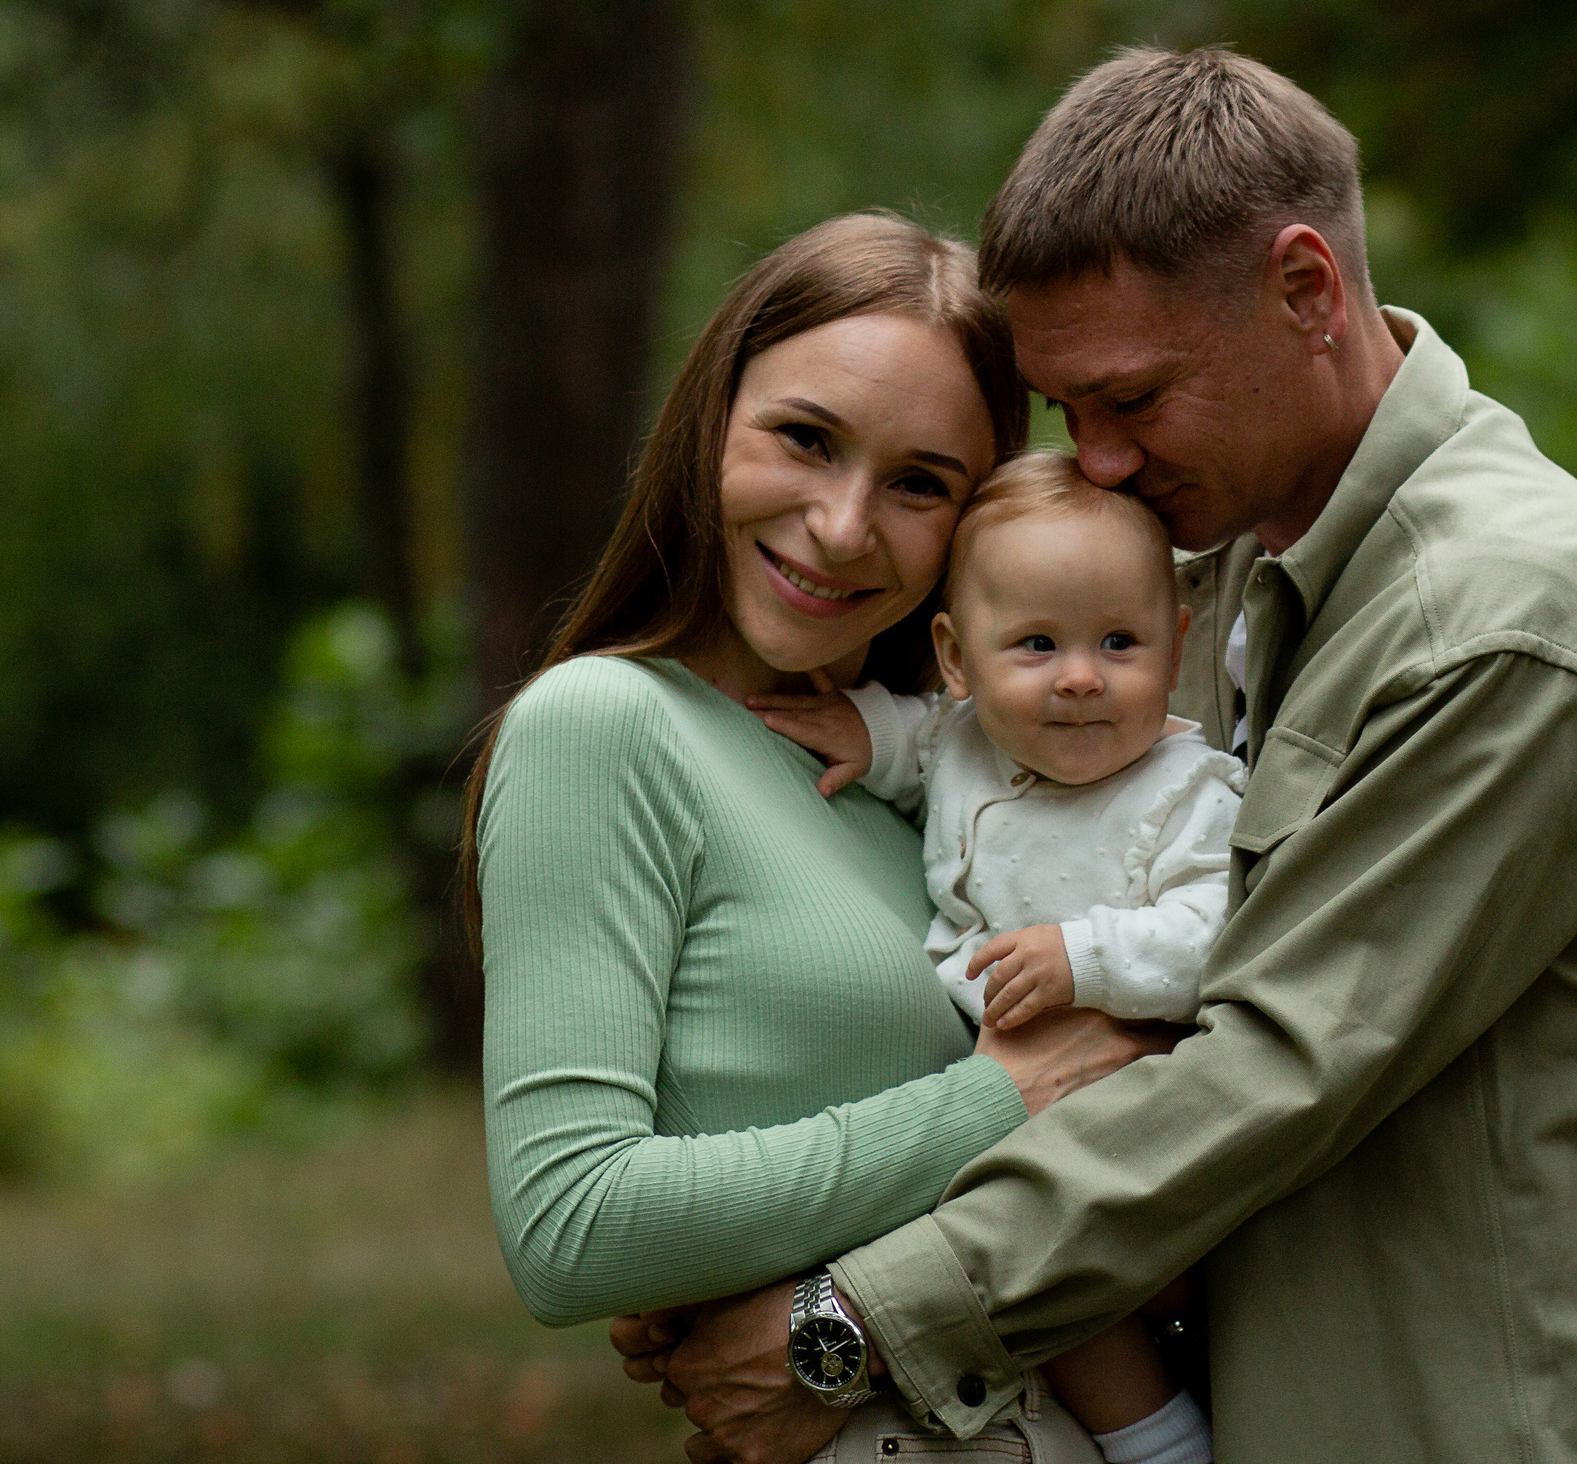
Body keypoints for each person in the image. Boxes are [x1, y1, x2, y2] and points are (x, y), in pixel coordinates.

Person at [621, 49, 1577, 1463]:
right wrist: (747, 1238)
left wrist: (846, 1319)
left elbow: (1278, 1066)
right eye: (1067, 414)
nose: (1098, 462)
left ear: (1306, 291)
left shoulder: (1507, 618)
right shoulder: (1212, 564)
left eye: (1135, 399)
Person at [468, 212, 1170, 1464]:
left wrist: (821, 1325)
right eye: (805, 439)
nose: (844, 527)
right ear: (710, 421)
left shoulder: (957, 772)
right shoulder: (606, 726)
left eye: (919, 484)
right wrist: (1001, 1100)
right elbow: (572, 1226)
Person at [752, 449, 1245, 1461]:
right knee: (1024, 1278)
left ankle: (1160, 1442)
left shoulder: (1185, 791)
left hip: (1126, 1100)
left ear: (1177, 643)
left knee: (1059, 1267)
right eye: (1036, 644)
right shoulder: (969, 739)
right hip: (988, 1096)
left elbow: (1217, 931)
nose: (1080, 676)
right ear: (956, 657)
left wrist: (1084, 956)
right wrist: (859, 732)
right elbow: (916, 742)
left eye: (1120, 642)